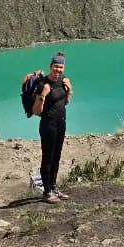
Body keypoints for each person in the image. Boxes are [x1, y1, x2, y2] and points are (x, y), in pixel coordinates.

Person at [33, 51, 73, 203]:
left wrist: (69, 90)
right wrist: (43, 95)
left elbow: (65, 102)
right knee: (47, 158)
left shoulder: (63, 80)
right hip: (48, 125)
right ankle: (47, 191)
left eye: (61, 67)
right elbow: (37, 111)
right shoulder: (43, 84)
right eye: (56, 67)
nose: (58, 70)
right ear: (51, 67)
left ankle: (54, 187)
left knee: (57, 157)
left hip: (61, 123)